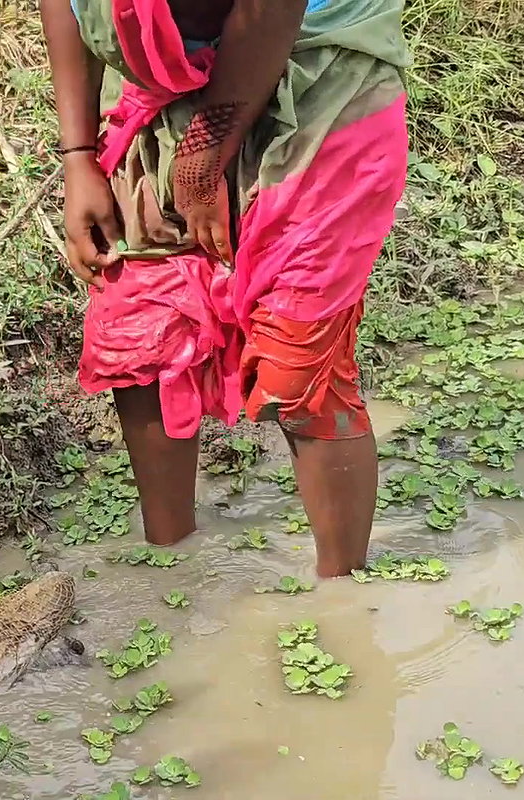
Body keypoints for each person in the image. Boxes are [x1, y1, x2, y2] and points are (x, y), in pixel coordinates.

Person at [40, 0, 411, 576]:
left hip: (319, 79)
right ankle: (171, 567)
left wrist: (201, 162)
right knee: (142, 333)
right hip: (160, 79)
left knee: (300, 363)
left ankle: (345, 596)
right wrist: (79, 157)